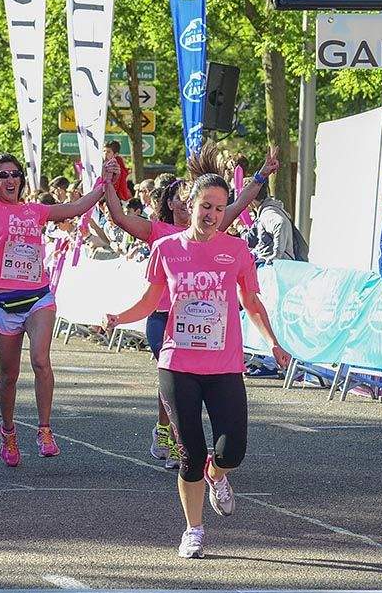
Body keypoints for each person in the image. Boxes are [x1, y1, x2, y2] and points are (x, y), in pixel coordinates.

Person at [104, 162, 291, 560]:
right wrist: (120, 317)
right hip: (178, 364)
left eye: (220, 209)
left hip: (223, 365)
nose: (212, 215)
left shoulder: (237, 250)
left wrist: (273, 342)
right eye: (206, 205)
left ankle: (216, 474)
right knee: (189, 451)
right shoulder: (166, 249)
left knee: (232, 450)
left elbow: (251, 301)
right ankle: (194, 528)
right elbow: (152, 301)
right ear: (190, 204)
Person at [103, 143, 279, 469]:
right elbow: (118, 216)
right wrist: (108, 184)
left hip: (209, 332)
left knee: (207, 403)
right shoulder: (160, 235)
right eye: (199, 205)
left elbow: (238, 202)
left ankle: (179, 438)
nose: (208, 212)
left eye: (215, 208)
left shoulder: (217, 232)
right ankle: (174, 435)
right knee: (173, 378)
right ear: (178, 203)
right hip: (162, 319)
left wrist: (260, 175)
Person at [0, 98, 108, 466]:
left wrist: (105, 182)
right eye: (3, 176)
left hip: (39, 298)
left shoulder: (36, 211)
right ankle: (8, 432)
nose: (10, 180)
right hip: (4, 304)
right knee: (9, 375)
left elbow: (76, 207)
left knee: (41, 361)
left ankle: (44, 429)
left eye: (15, 175)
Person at [247, 181, 295, 265]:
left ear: (250, 199)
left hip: (274, 269)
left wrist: (276, 256)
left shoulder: (268, 213)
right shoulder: (267, 210)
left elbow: (280, 223)